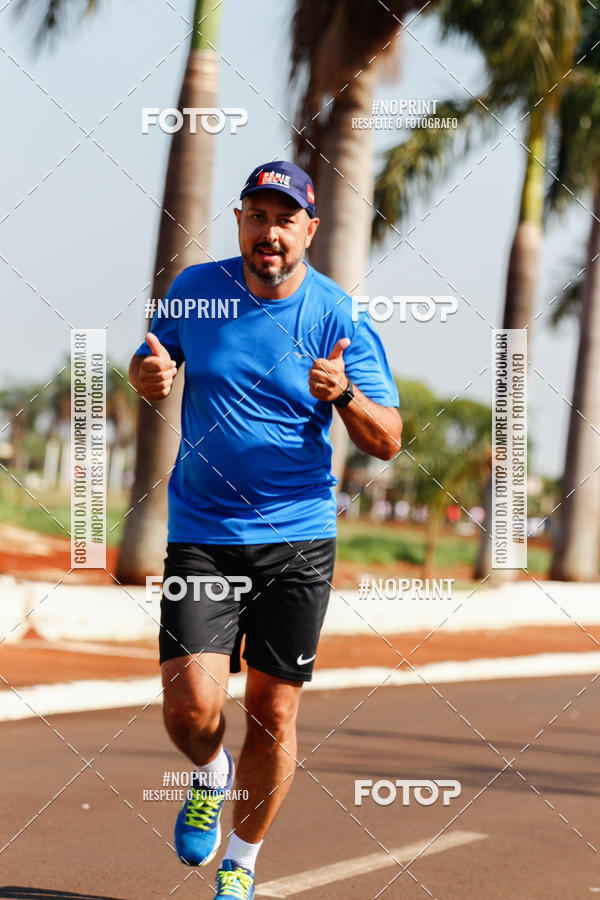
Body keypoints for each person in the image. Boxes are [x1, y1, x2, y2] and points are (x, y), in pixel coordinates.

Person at [129, 160, 402, 899]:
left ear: (309, 230)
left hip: (298, 540)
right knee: (190, 708)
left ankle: (241, 866)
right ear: (241, 221)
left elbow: (389, 437)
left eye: (286, 219)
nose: (270, 232)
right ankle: (209, 772)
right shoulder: (197, 292)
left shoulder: (336, 315)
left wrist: (343, 392)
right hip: (203, 532)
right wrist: (145, 375)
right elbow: (153, 357)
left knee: (275, 710)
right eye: (258, 215)